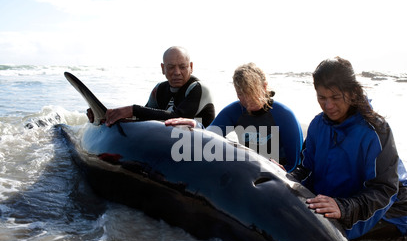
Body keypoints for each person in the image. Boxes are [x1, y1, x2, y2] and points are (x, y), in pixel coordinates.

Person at [290, 56, 407, 240]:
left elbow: (384, 190)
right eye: (321, 97)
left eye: (335, 97)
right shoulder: (318, 124)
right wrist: (284, 178)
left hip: (393, 208)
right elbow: (307, 171)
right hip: (346, 197)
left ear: (352, 93)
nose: (328, 105)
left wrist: (344, 208)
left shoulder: (376, 131)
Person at [165, 63, 303, 173]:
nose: (247, 99)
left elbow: (295, 165)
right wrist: (196, 126)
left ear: (264, 87)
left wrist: (281, 173)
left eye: (251, 92)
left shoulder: (284, 115)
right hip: (254, 170)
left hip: (280, 175)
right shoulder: (234, 111)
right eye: (241, 94)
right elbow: (209, 136)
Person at [87, 46, 215, 127]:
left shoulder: (199, 88)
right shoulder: (159, 89)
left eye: (182, 67)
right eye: (170, 67)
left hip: (203, 152)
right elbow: (144, 116)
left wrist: (133, 109)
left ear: (191, 67)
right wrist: (109, 116)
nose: (177, 72)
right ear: (163, 68)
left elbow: (178, 117)